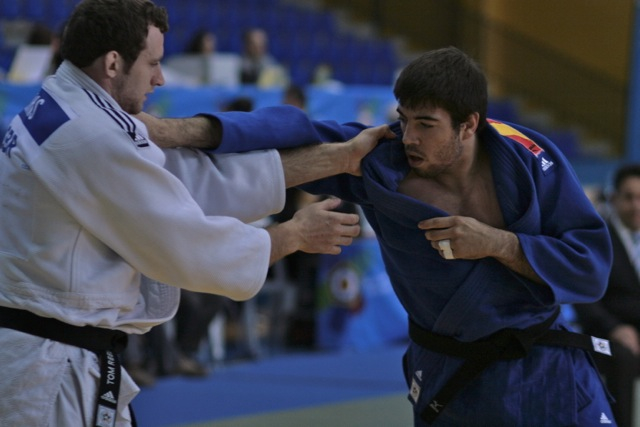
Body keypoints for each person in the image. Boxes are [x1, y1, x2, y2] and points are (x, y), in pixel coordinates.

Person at [144, 46, 617, 426]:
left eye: (426, 124)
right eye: (404, 117)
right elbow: (289, 131)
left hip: (541, 367)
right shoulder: (382, 160)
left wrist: (499, 243)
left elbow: (591, 266)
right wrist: (175, 131)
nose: (408, 135)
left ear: (470, 123)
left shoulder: (531, 159)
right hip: (452, 372)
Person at [0, 1, 394, 426]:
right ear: (113, 63)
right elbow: (184, 244)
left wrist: (340, 158)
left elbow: (191, 180)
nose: (160, 78)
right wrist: (292, 236)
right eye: (152, 63)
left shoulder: (67, 107)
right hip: (47, 374)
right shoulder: (89, 136)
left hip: (48, 355)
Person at [574, 164, 640, 427]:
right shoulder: (596, 238)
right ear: (613, 199)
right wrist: (615, 328)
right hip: (604, 333)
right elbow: (582, 295)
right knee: (623, 356)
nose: (636, 206)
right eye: (629, 197)